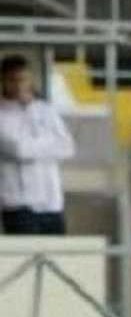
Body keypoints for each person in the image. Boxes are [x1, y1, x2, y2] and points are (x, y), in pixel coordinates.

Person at [0, 55, 76, 236]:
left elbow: (67, 147)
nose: (19, 85)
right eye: (13, 80)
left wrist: (35, 144)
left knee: (57, 251)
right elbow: (19, 149)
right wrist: (49, 144)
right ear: (3, 81)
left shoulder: (46, 110)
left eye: (23, 79)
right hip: (19, 203)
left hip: (51, 201)